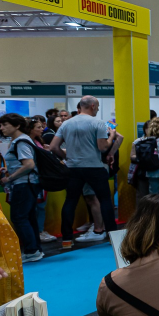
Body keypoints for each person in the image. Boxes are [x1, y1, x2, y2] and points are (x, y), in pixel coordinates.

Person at [48, 95, 117, 247]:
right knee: (105, 201)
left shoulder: (66, 124)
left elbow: (53, 147)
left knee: (70, 202)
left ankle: (66, 240)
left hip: (73, 168)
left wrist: (67, 157)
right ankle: (113, 237)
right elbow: (103, 147)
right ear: (92, 106)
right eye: (97, 107)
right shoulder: (97, 123)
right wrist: (111, 136)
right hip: (94, 167)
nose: (97, 110)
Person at [0, 113, 43, 262]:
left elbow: (29, 164)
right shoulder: (21, 140)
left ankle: (31, 250)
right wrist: (9, 170)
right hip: (27, 183)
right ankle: (35, 249)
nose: (1, 128)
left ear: (17, 125)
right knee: (28, 217)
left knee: (19, 217)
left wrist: (9, 178)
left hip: (23, 184)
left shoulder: (21, 141)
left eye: (5, 125)